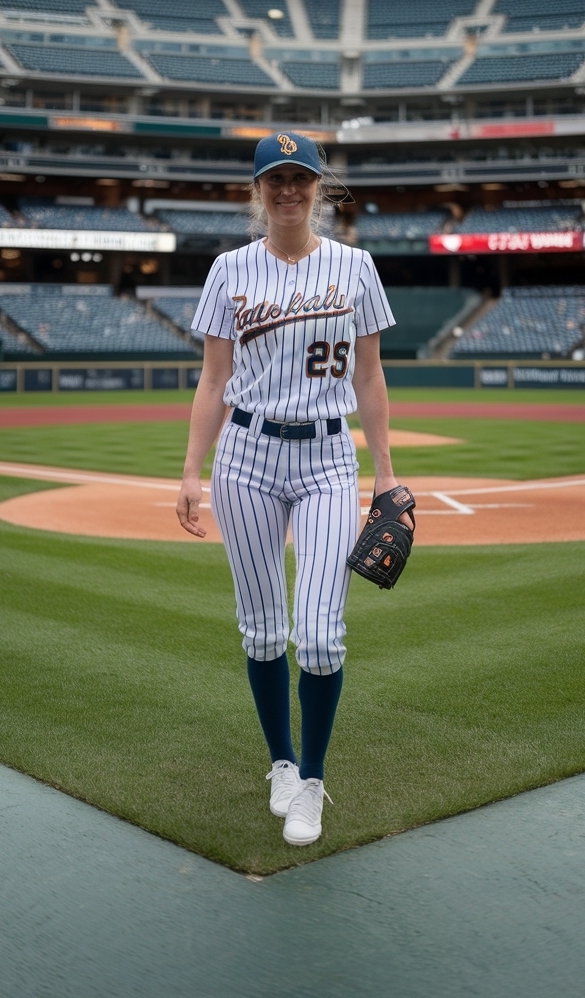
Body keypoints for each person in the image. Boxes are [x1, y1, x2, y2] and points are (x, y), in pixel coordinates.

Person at [176, 130, 401, 847]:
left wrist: (387, 474)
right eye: (274, 178)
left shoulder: (356, 266)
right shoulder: (229, 270)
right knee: (263, 625)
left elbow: (368, 375)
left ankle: (312, 777)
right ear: (258, 189)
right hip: (244, 455)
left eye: (299, 177)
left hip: (329, 457)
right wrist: (190, 468)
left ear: (317, 186)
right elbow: (213, 378)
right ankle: (279, 760)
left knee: (322, 633)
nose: (287, 190)